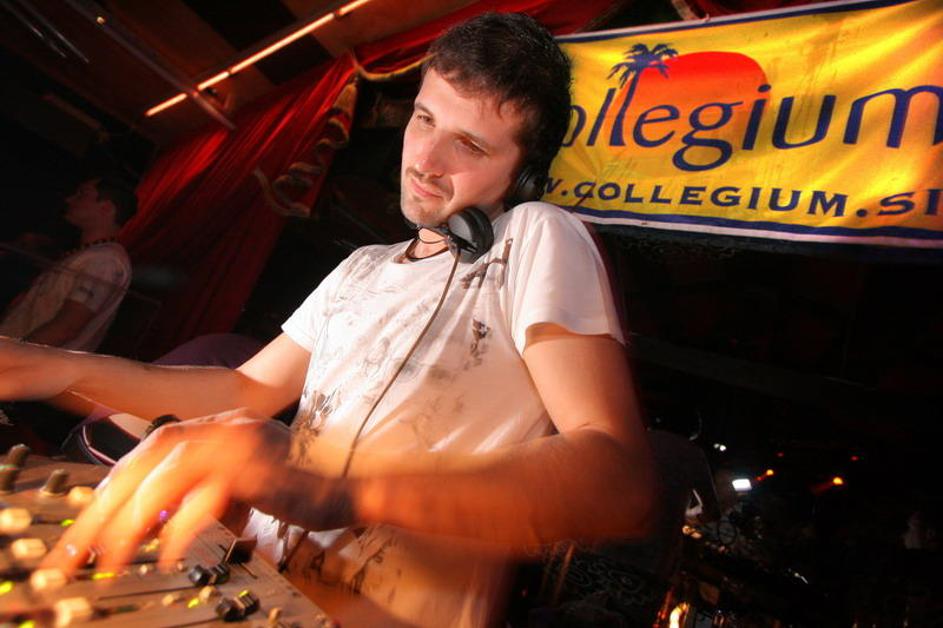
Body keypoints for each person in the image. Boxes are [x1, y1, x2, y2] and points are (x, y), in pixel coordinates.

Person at [0, 13, 655, 627]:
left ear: (524, 175)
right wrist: (48, 367)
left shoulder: (535, 236)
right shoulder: (363, 267)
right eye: (424, 119)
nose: (425, 161)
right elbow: (244, 388)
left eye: (469, 145)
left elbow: (616, 478)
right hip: (248, 592)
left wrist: (335, 488)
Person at [0, 176, 137, 350]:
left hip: (24, 361)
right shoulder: (91, 254)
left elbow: (66, 328)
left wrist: (12, 354)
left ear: (106, 207)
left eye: (81, 194)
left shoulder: (105, 259)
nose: (69, 199)